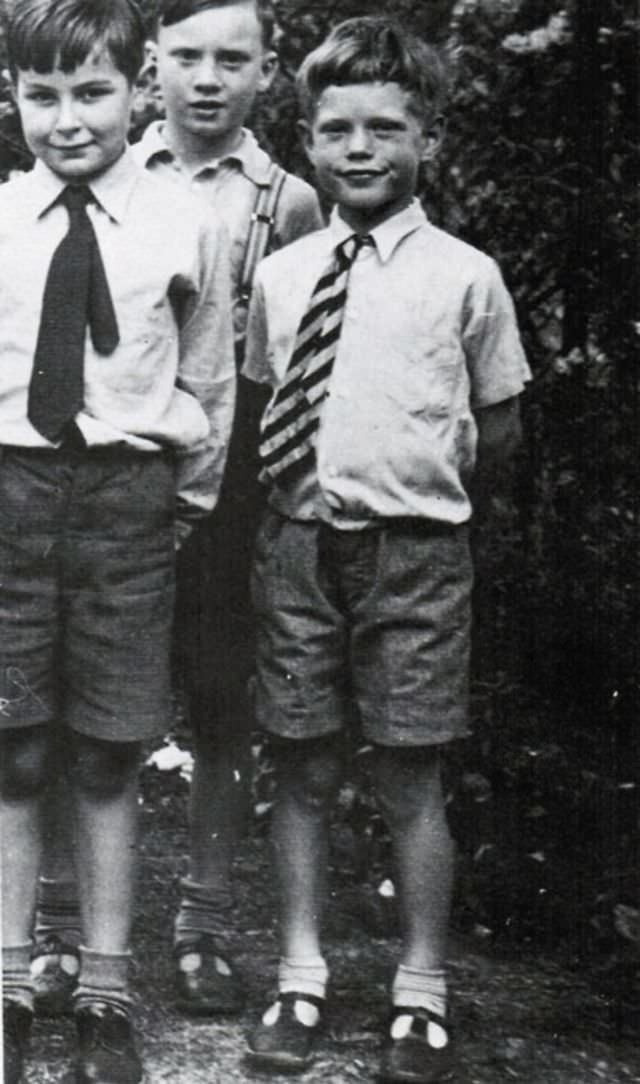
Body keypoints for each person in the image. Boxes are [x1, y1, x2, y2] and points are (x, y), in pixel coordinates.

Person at [242, 16, 530, 1084]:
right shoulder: (285, 274)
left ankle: (421, 992)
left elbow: (495, 431)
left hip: (414, 552)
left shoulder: (467, 276)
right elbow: (273, 398)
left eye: (384, 127)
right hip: (300, 548)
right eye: (336, 130)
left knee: (411, 771)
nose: (360, 148)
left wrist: (422, 505)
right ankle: (301, 973)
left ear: (427, 140)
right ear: (309, 142)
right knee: (303, 762)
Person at [32, 0, 323, 1020]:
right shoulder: (109, 158)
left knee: (218, 695)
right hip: (97, 464)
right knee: (72, 697)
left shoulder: (289, 197)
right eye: (187, 58)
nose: (207, 79)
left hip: (226, 468)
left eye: (230, 59)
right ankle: (58, 924)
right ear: (150, 68)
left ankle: (204, 918)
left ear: (265, 71)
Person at [0, 1, 235, 1082]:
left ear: (138, 85)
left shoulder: (180, 221)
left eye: (90, 91)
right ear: (13, 95)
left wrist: (173, 506)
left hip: (128, 498)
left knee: (105, 749)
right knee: (15, 748)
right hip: (8, 492)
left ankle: (103, 985)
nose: (66, 119)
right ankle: (6, 979)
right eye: (41, 94)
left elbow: (207, 379)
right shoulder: (0, 219)